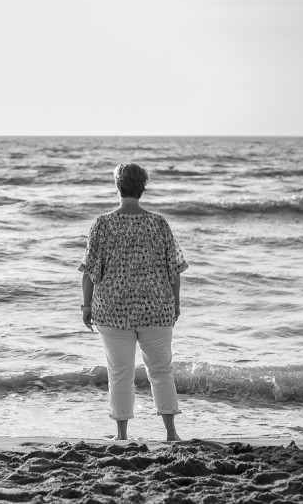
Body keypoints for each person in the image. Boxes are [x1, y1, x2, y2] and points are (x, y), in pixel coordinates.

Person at [78, 163, 188, 441]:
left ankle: (122, 435)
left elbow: (91, 270)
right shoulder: (159, 222)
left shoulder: (102, 224)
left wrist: (87, 306)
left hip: (113, 310)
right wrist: (175, 303)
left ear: (118, 187)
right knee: (161, 371)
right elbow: (173, 269)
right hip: (157, 308)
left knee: (120, 372)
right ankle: (171, 434)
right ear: (143, 188)